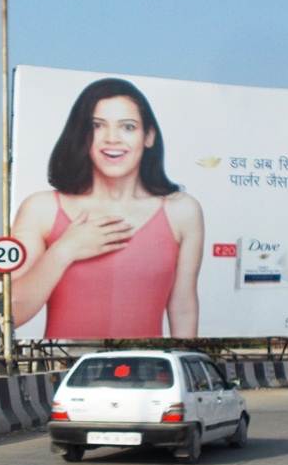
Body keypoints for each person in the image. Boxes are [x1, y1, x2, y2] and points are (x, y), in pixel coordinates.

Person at [11, 78, 205, 339]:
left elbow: (183, 308)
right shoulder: (41, 208)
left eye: (128, 127)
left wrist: (186, 367)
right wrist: (65, 250)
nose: (112, 139)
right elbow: (12, 315)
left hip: (148, 373)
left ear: (148, 136)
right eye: (97, 126)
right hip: (67, 371)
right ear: (81, 135)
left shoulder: (182, 210)